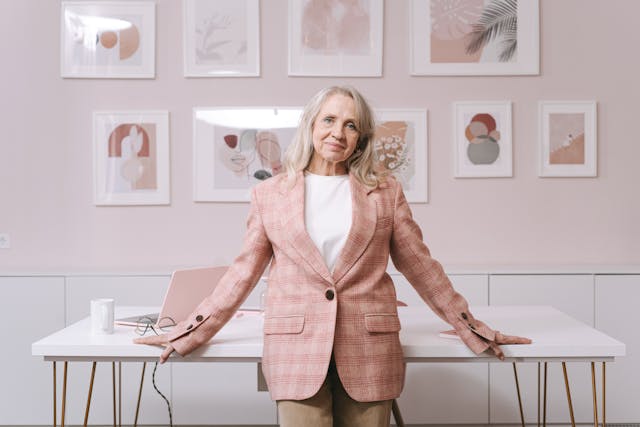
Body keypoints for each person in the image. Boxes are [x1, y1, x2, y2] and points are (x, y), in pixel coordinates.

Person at [135, 85, 531, 427]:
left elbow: (422, 267)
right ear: (311, 125)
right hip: (295, 352)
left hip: (370, 350)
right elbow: (242, 274)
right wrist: (190, 331)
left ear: (361, 137)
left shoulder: (385, 193)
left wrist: (471, 326)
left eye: (351, 124)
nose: (337, 133)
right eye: (329, 120)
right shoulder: (270, 195)